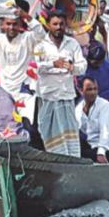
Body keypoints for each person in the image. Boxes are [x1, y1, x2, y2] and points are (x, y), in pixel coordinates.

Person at [0, 1, 45, 122]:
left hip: (25, 93)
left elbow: (41, 34)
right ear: (3, 25)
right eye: (8, 24)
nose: (11, 27)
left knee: (27, 125)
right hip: (5, 91)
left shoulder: (28, 38)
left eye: (15, 24)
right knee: (7, 125)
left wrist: (26, 16)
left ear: (20, 24)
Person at [34, 11, 86, 156]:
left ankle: (71, 160)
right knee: (46, 130)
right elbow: (34, 66)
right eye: (55, 24)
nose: (58, 27)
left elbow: (82, 66)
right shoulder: (40, 45)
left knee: (69, 132)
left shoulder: (72, 43)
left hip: (66, 95)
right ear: (48, 25)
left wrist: (73, 68)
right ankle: (52, 159)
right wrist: (53, 64)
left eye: (61, 24)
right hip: (47, 96)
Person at [75, 76, 109, 163]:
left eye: (95, 89)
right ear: (81, 90)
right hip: (91, 147)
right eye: (89, 89)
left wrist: (101, 153)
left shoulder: (105, 106)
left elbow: (105, 131)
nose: (93, 92)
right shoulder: (78, 109)